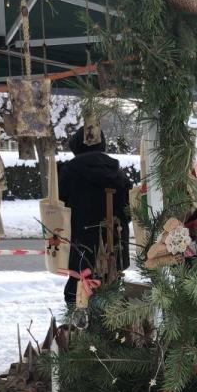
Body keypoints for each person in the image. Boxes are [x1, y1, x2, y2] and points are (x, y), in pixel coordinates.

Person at [58, 125, 130, 303]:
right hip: (114, 252)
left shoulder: (69, 172)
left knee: (78, 301)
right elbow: (128, 213)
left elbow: (58, 210)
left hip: (81, 250)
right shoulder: (118, 174)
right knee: (111, 303)